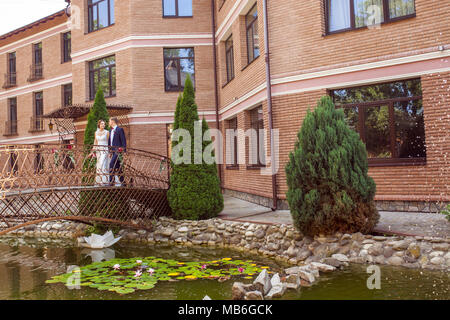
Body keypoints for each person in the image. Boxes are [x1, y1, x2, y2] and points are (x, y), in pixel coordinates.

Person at [108, 117, 127, 186]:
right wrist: (109, 151)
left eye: (109, 121)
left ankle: (111, 182)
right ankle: (123, 182)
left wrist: (124, 151)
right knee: (118, 167)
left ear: (113, 121)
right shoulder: (110, 131)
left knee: (111, 164)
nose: (109, 123)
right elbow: (109, 142)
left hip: (118, 152)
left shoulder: (120, 129)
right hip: (113, 152)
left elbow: (123, 141)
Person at [92, 120, 110, 185]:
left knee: (103, 163)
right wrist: (93, 150)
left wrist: (109, 151)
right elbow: (95, 142)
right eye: (102, 124)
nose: (103, 125)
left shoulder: (107, 132)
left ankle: (104, 181)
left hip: (105, 150)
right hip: (98, 150)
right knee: (99, 165)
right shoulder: (96, 132)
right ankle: (99, 181)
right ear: (99, 125)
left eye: (104, 124)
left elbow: (109, 142)